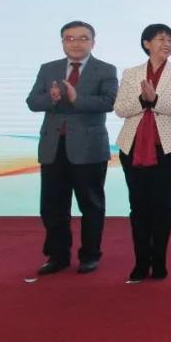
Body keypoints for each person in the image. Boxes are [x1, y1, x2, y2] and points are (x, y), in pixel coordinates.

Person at [26, 21, 118, 275]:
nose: (76, 43)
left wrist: (77, 99)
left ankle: (90, 255)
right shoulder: (48, 68)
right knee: (52, 206)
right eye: (70, 38)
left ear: (93, 42)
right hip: (53, 147)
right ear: (63, 42)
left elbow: (109, 102)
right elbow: (32, 101)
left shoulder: (105, 69)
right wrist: (51, 98)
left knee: (91, 204)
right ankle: (57, 256)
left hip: (89, 148)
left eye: (83, 38)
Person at [114, 24, 171, 282]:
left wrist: (155, 99)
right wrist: (142, 100)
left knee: (163, 205)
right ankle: (140, 262)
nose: (167, 44)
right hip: (133, 147)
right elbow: (120, 109)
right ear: (147, 43)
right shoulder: (131, 73)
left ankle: (159, 261)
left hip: (169, 149)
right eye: (161, 39)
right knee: (138, 206)